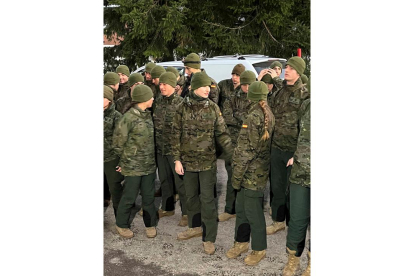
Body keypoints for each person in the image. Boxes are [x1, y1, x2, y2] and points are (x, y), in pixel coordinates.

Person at [171, 72, 232, 255]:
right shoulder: (182, 107)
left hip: (207, 163)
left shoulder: (213, 108)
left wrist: (233, 155)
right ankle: (194, 227)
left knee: (207, 201)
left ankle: (209, 238)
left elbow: (222, 134)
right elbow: (174, 135)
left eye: (209, 87)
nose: (207, 89)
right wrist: (176, 159)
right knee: (191, 197)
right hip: (187, 162)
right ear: (194, 87)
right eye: (204, 86)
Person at [226, 81, 275, 266]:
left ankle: (259, 248)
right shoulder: (264, 112)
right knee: (241, 209)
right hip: (254, 171)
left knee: (253, 212)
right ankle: (241, 242)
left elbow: (248, 150)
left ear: (251, 96)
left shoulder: (256, 115)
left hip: (251, 172)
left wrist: (236, 174)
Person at [266, 56, 309, 235]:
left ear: (298, 72)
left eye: (290, 68)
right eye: (287, 67)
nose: (286, 70)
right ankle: (278, 221)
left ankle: (294, 224)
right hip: (277, 147)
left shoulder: (305, 94)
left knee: (293, 191)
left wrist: (297, 154)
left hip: (294, 150)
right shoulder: (280, 91)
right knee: (277, 187)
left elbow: (306, 127)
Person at [112, 85, 158, 239]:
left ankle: (150, 224)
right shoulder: (128, 118)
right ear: (143, 99)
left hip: (149, 165)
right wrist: (125, 161)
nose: (153, 99)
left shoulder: (148, 115)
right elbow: (118, 144)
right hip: (132, 167)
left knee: (149, 197)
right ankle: (121, 224)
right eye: (150, 96)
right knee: (129, 197)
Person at [219, 70, 256, 222]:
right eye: (245, 84)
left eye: (249, 84)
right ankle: (230, 209)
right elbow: (226, 117)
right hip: (234, 143)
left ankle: (249, 209)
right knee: (233, 175)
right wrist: (244, 121)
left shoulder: (257, 98)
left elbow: (258, 119)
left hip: (252, 144)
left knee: (251, 178)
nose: (246, 87)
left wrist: (238, 117)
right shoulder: (232, 98)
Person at [153, 72, 188, 226]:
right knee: (165, 180)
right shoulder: (158, 101)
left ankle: (187, 213)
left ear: (173, 86)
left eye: (165, 84)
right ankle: (167, 208)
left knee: (181, 183)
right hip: (161, 148)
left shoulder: (181, 103)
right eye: (160, 84)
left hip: (175, 150)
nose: (161, 87)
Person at [282, 98, 311, 276]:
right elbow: (299, 133)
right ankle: (293, 260)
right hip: (300, 172)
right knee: (297, 220)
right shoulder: (308, 103)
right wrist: (296, 154)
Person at [104, 85, 124, 218]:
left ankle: (121, 220)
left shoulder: (117, 116)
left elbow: (122, 141)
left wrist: (122, 161)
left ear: (109, 100)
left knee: (116, 190)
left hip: (111, 159)